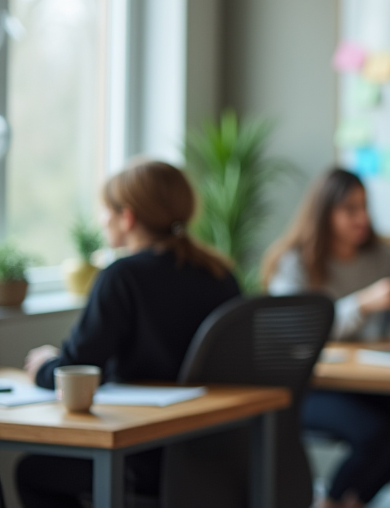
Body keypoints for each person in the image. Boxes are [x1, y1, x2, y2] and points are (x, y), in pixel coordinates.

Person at [17, 160, 240, 507]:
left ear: (128, 217)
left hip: (138, 453)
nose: (103, 220)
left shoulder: (122, 276)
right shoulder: (219, 274)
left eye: (107, 210)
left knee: (32, 472)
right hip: (210, 452)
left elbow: (79, 369)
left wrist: (44, 366)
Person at [262, 168, 390, 508]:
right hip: (308, 386)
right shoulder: (293, 262)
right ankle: (331, 501)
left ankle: (351, 501)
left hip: (361, 382)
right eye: (350, 209)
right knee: (376, 434)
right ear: (325, 212)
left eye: (364, 207)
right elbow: (297, 330)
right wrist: (364, 302)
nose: (362, 218)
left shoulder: (380, 257)